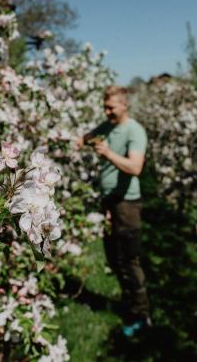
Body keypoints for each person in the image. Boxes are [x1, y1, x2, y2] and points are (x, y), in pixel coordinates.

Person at [77, 85, 150, 336]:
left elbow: (135, 167)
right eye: (105, 107)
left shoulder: (134, 131)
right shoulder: (107, 127)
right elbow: (86, 138)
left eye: (111, 107)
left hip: (127, 203)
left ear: (124, 105)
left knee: (129, 260)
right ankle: (128, 301)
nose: (107, 111)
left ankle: (141, 314)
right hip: (108, 200)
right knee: (113, 258)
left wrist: (107, 153)